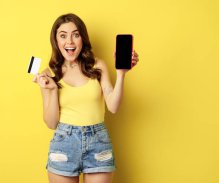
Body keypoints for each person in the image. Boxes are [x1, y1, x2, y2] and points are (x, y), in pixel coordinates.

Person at [33, 13, 139, 183]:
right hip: (64, 143)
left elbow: (113, 106)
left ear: (83, 38)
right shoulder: (49, 73)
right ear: (56, 41)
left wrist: (121, 74)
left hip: (98, 142)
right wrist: (51, 90)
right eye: (63, 36)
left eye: (76, 35)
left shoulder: (98, 66)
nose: (70, 42)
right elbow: (51, 123)